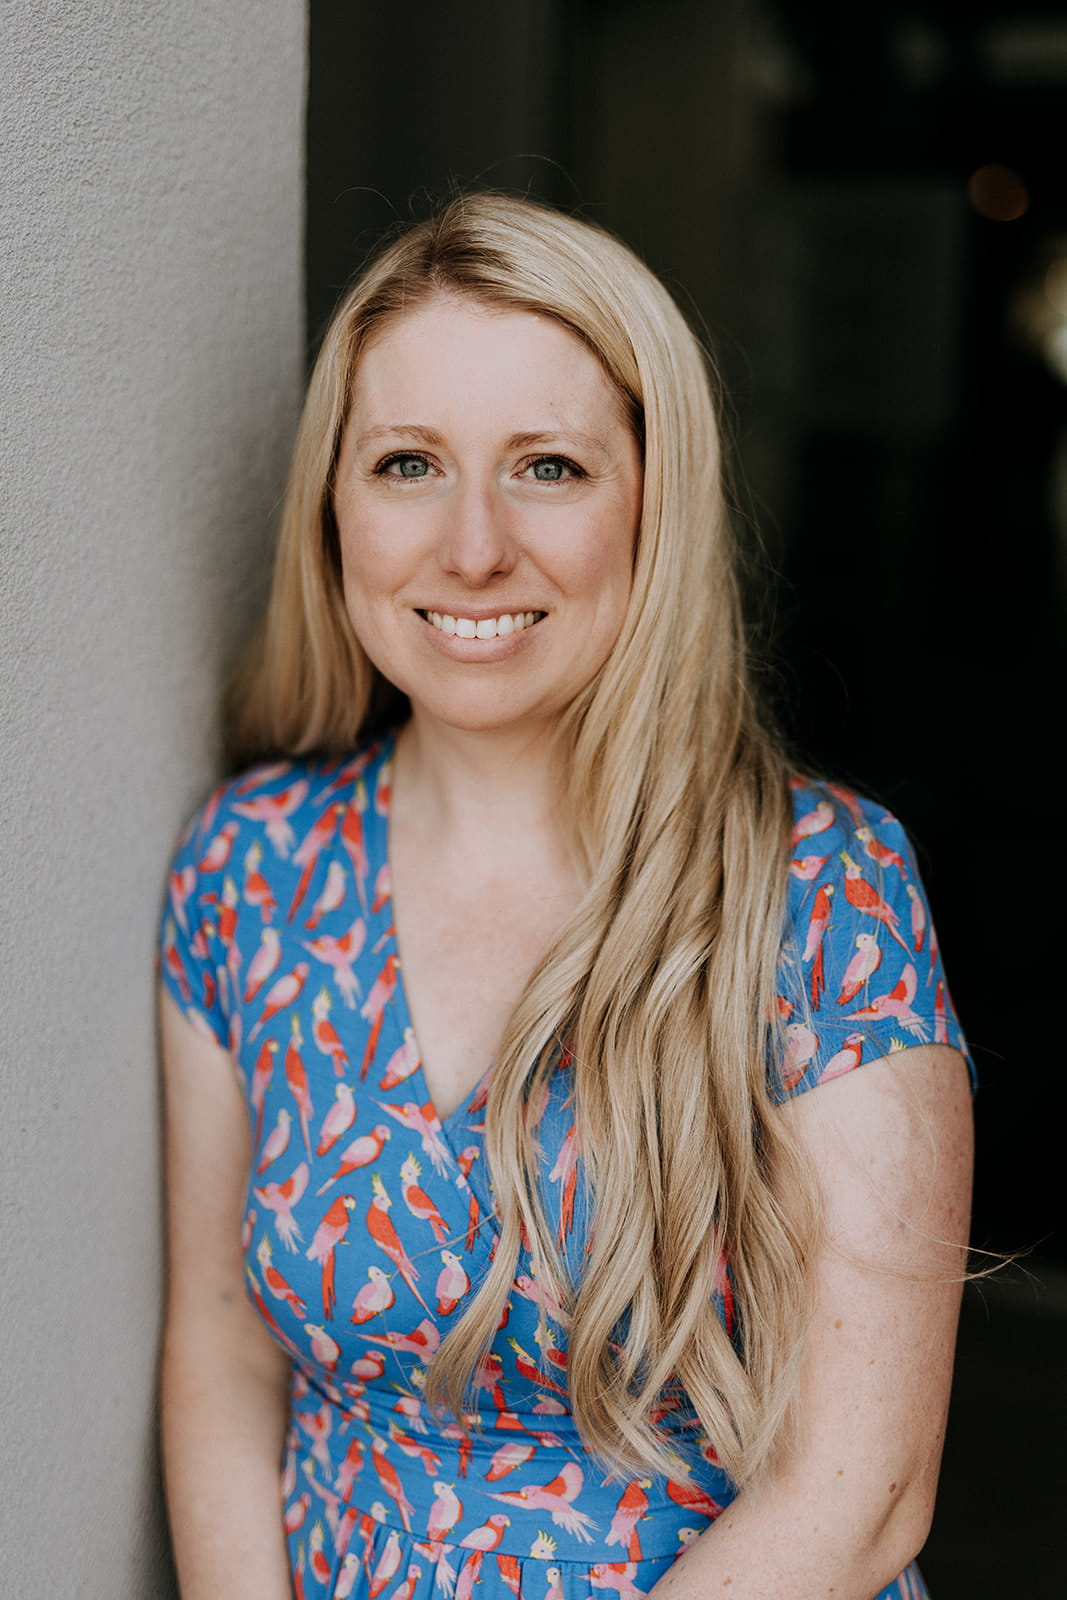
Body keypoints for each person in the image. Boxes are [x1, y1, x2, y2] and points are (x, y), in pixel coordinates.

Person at [158, 192, 974, 1600]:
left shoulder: (820, 890)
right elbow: (225, 1350)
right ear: (333, 507)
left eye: (548, 467)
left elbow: (864, 1493)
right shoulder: (250, 869)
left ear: (655, 500)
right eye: (407, 464)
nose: (472, 546)